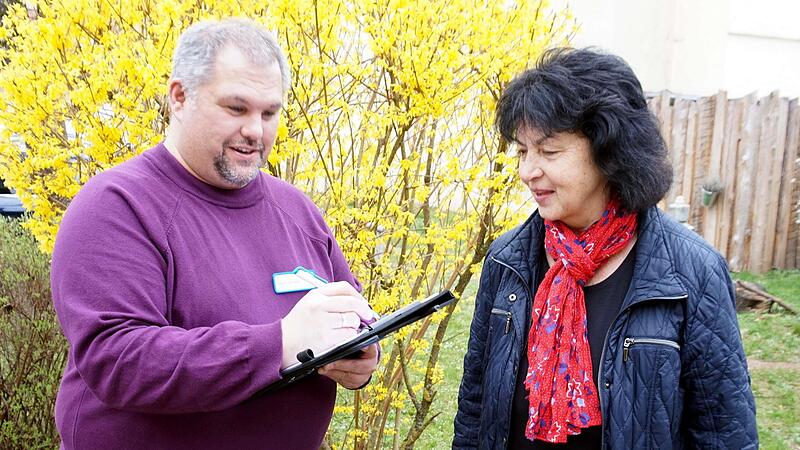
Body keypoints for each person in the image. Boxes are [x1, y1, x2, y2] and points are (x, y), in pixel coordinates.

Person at [51, 18, 379, 449]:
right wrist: (279, 343)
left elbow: (347, 313)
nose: (255, 131)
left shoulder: (297, 211)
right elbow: (118, 361)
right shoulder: (117, 206)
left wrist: (359, 358)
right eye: (236, 108)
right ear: (180, 97)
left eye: (269, 112)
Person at [453, 48, 757, 449]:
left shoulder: (691, 273)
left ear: (608, 151)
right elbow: (475, 415)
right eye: (523, 151)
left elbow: (724, 435)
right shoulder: (507, 261)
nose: (528, 171)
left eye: (548, 151)